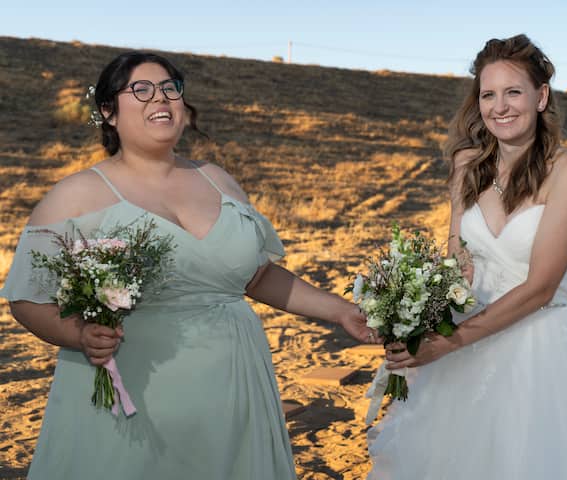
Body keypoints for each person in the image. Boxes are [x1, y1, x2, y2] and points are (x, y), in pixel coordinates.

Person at [0, 51, 377, 480]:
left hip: (233, 385)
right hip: (136, 391)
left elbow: (258, 276)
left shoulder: (219, 180)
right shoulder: (76, 194)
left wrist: (340, 310)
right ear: (108, 111)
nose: (160, 97)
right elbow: (27, 300)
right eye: (141, 89)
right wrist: (79, 335)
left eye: (170, 88)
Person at [367, 34, 567, 479]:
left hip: (541, 350)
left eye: (513, 92)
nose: (499, 106)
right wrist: (414, 316)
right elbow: (457, 262)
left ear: (541, 97)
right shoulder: (466, 164)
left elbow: (541, 287)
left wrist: (449, 342)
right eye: (488, 95)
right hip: (465, 349)